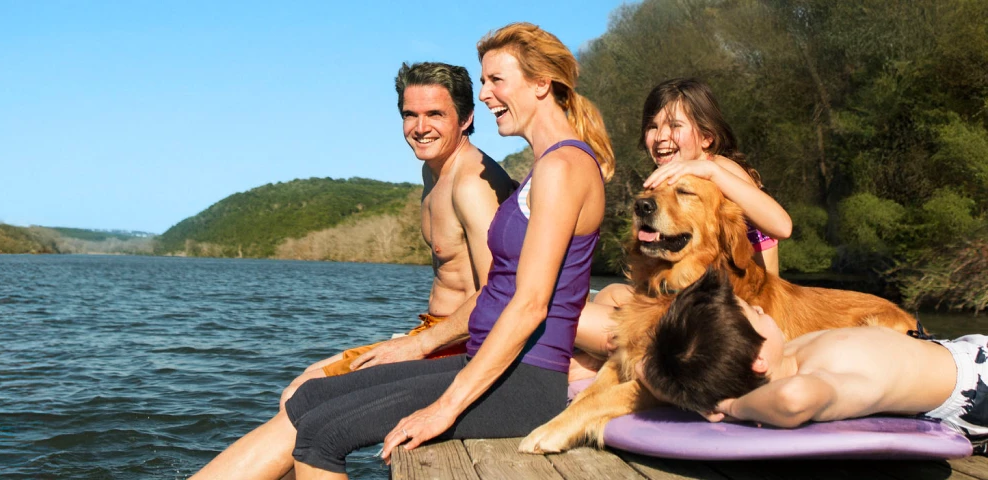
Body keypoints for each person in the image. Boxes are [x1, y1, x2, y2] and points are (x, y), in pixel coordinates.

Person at [191, 22, 615, 479]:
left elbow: (530, 304)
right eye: (485, 80)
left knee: (323, 437)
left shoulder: (565, 166)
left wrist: (445, 407)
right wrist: (422, 347)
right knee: (310, 401)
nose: (487, 94)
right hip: (488, 361)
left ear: (539, 84)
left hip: (525, 381)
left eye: (496, 80)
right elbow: (504, 288)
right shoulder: (544, 167)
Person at [277, 62, 518, 408]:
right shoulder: (433, 171)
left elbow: (497, 294)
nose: (420, 128)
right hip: (434, 333)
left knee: (302, 397)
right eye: (410, 115)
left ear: (465, 119)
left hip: (461, 346)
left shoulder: (471, 185)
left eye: (435, 114)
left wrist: (417, 346)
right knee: (304, 381)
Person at [569, 78, 794, 386]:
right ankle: (595, 365)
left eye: (674, 125)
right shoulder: (672, 179)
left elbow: (782, 226)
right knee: (608, 293)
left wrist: (711, 171)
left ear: (706, 138)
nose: (661, 136)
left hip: (741, 307)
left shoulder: (720, 171)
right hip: (694, 292)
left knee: (583, 320)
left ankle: (601, 366)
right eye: (652, 126)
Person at [635, 269, 988, 451]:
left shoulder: (785, 357)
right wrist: (730, 405)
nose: (759, 306)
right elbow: (793, 400)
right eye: (754, 314)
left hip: (958, 351)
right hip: (973, 389)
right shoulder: (815, 379)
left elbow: (645, 368)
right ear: (758, 360)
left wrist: (702, 401)